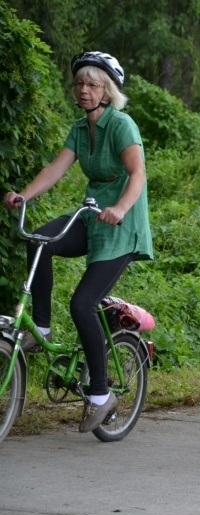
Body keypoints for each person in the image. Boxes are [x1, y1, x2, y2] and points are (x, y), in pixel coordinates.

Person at [3, 51, 153, 433]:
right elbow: (57, 166)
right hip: (92, 217)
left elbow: (138, 175)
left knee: (83, 303)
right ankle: (42, 327)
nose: (83, 90)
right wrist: (25, 195)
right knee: (39, 241)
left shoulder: (122, 126)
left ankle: (101, 395)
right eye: (79, 84)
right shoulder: (78, 128)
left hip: (122, 225)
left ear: (108, 91)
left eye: (92, 84)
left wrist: (120, 207)